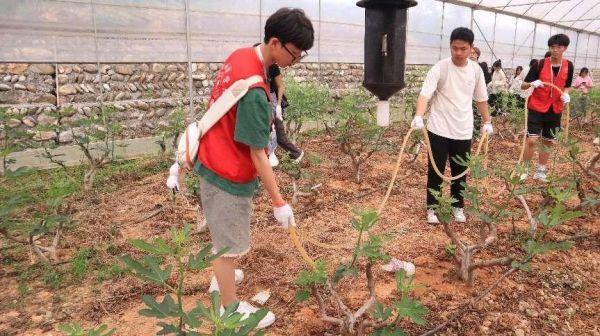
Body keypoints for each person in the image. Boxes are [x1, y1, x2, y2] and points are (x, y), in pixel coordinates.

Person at [194, 8, 314, 328]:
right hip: (225, 171)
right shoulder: (256, 94)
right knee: (229, 242)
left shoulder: (241, 55)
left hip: (210, 155)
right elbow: (259, 155)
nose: (294, 61)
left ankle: (224, 277)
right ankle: (229, 308)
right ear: (275, 43)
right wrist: (279, 202)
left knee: (222, 234)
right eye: (294, 54)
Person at [411, 27, 493, 224]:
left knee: (460, 171)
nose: (458, 52)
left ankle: (458, 206)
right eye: (454, 48)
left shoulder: (476, 70)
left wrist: (487, 121)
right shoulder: (440, 68)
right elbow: (425, 94)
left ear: (471, 48)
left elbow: (481, 99)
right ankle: (432, 208)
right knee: (435, 170)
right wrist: (419, 116)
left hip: (463, 129)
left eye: (463, 49)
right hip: (438, 128)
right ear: (450, 46)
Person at [520, 34, 574, 182]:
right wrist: (532, 83)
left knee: (548, 140)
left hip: (555, 108)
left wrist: (566, 94)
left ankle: (541, 171)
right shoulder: (540, 64)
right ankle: (524, 169)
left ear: (565, 48)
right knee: (532, 140)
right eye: (552, 47)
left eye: (559, 47)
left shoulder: (569, 65)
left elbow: (568, 86)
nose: (555, 50)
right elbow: (523, 85)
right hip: (537, 106)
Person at [266, 63, 304, 165]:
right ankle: (296, 153)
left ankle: (271, 154)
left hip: (272, 101)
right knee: (279, 134)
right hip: (262, 100)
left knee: (273, 129)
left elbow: (280, 85)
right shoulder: (254, 66)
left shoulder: (272, 67)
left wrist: (278, 105)